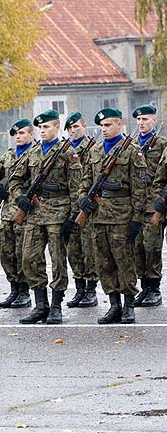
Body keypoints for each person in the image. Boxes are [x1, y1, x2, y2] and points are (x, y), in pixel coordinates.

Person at [8, 110, 81, 325]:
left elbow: (77, 187)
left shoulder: (68, 152)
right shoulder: (32, 152)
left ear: (57, 127)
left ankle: (56, 305)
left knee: (58, 261)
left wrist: (73, 217)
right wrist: (20, 198)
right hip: (35, 213)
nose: (42, 130)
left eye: (47, 127)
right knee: (29, 258)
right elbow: (15, 179)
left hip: (59, 212)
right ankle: (40, 305)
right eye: (40, 127)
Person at [78, 108, 146, 323]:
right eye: (102, 126)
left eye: (108, 125)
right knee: (104, 263)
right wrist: (82, 199)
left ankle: (128, 305)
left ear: (119, 124)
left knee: (124, 262)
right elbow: (85, 180)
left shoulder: (132, 151)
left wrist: (137, 218)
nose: (104, 129)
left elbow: (139, 188)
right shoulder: (95, 151)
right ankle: (114, 304)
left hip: (121, 216)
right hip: (98, 218)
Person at [0, 119, 35, 309]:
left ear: (31, 135)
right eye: (16, 134)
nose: (19, 136)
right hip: (7, 211)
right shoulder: (8, 156)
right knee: (6, 253)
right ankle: (14, 289)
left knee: (22, 252)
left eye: (23, 133)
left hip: (25, 211)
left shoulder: (36, 155)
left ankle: (24, 291)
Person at [63, 111, 99, 308]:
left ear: (84, 126)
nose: (73, 131)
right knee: (73, 250)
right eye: (69, 128)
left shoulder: (93, 148)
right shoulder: (64, 150)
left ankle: (91, 290)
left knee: (88, 250)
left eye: (76, 127)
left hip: (86, 206)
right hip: (67, 208)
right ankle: (79, 289)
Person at [131, 104, 166, 307]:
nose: (141, 123)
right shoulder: (132, 145)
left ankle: (154, 288)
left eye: (145, 119)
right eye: (139, 120)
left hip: (154, 204)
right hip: (136, 205)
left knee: (152, 247)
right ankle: (144, 288)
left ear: (154, 120)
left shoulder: (161, 144)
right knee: (137, 248)